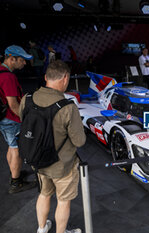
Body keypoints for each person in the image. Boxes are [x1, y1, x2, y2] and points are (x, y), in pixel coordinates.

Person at [19, 60, 86, 233]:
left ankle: (42, 228)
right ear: (65, 78)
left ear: (46, 77)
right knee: (63, 201)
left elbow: (24, 123)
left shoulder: (27, 99)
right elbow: (79, 141)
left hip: (37, 161)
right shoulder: (68, 107)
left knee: (44, 194)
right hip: (62, 165)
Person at [0, 45, 36, 193]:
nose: (24, 63)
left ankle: (15, 174)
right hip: (11, 119)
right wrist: (25, 120)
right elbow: (13, 104)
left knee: (11, 146)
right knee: (17, 150)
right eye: (22, 60)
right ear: (11, 58)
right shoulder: (8, 77)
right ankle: (16, 183)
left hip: (3, 119)